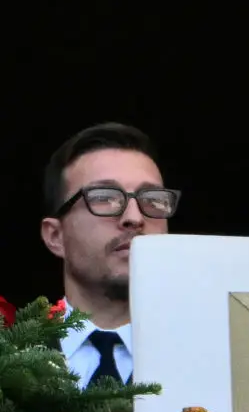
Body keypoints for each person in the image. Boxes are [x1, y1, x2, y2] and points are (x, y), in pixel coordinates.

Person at [39, 123, 181, 388]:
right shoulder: (12, 359)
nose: (135, 218)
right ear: (55, 236)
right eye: (104, 197)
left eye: (153, 199)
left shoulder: (213, 354)